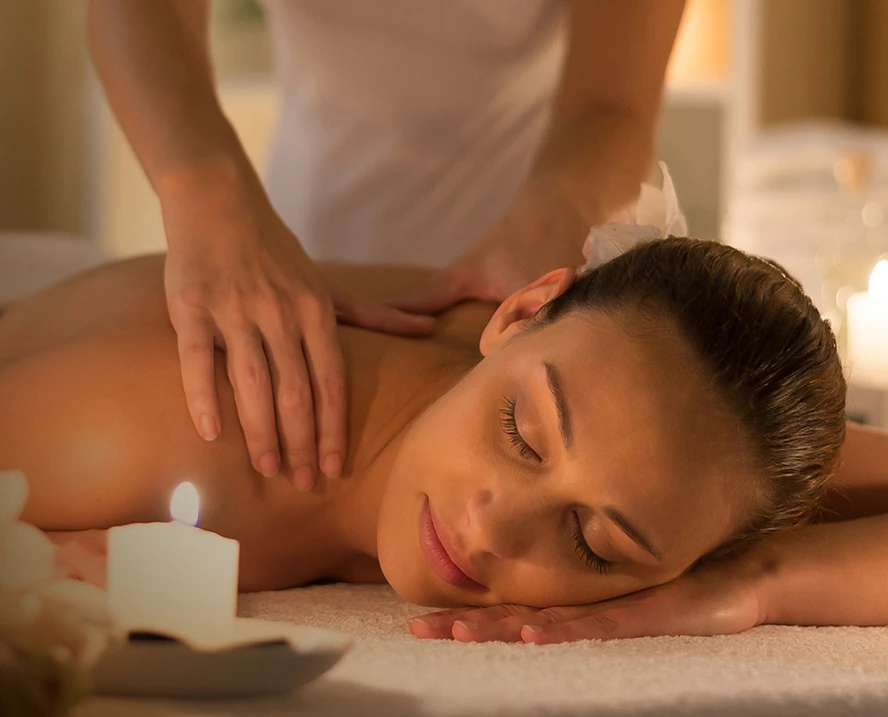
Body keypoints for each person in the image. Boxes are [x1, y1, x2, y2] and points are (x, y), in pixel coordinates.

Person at [3, 237, 888, 643]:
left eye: (594, 543)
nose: (493, 528)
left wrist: (751, 586)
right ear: (519, 312)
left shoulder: (691, 434)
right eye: (520, 434)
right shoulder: (166, 424)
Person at [85, 1, 686, 494]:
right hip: (285, 258)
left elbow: (613, 103)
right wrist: (204, 193)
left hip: (526, 265)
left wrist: (557, 220)